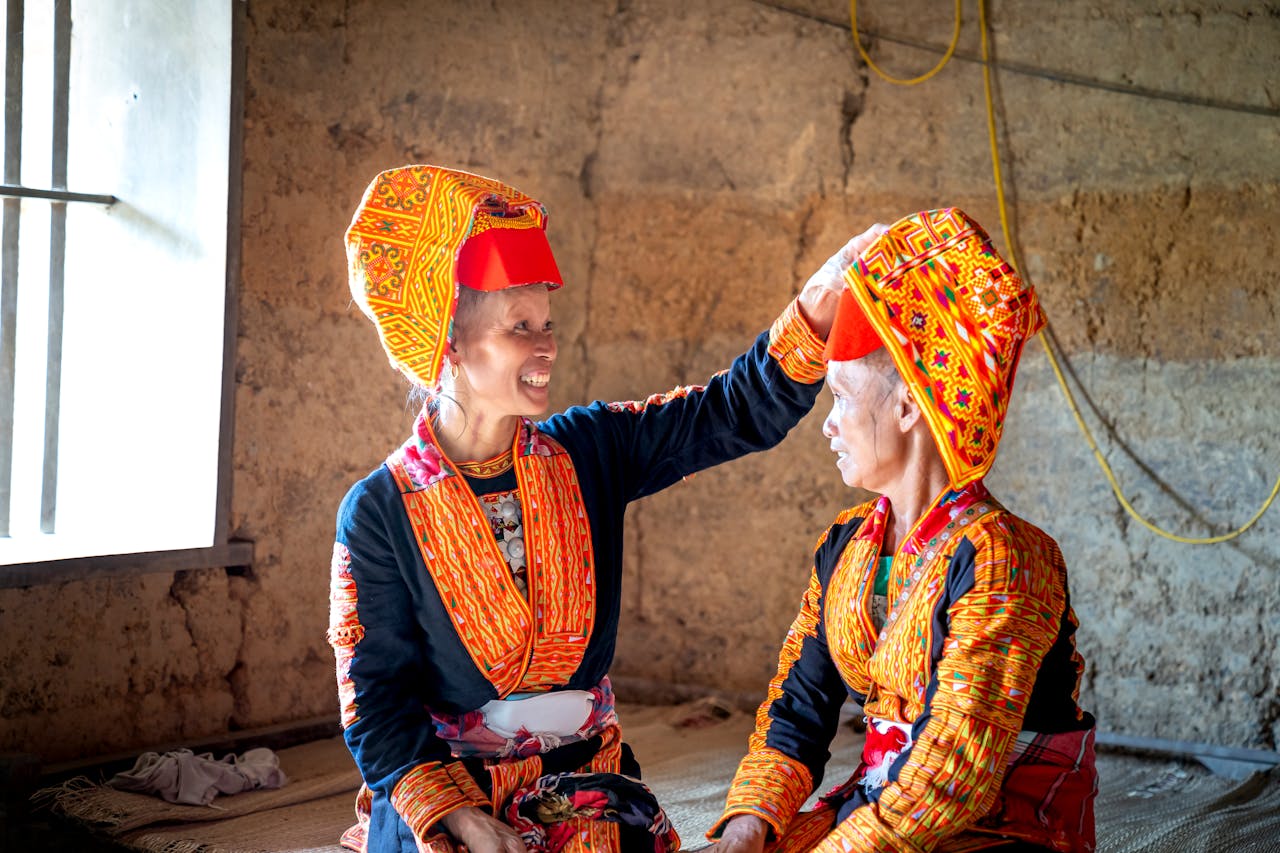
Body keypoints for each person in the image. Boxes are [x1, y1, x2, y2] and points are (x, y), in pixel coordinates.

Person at [328, 164, 883, 853]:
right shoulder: (379, 510)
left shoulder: (588, 449)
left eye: (548, 323)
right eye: (519, 326)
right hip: (450, 792)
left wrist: (815, 306)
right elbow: (375, 700)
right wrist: (461, 817)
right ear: (451, 343)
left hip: (585, 784)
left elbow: (729, 412)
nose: (547, 345)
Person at [707, 208, 1097, 853]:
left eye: (840, 396)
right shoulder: (849, 544)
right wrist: (746, 831)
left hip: (995, 827)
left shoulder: (1005, 557)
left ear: (909, 404)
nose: (827, 424)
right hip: (885, 805)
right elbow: (798, 711)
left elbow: (953, 777)